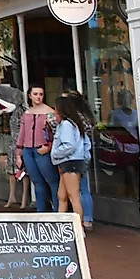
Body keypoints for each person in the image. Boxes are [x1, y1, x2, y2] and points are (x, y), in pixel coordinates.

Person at [15, 86, 60, 212]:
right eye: (35, 94)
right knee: (37, 182)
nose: (38, 96)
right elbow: (22, 134)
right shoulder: (26, 114)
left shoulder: (50, 112)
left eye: (41, 94)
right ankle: (41, 212)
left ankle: (57, 211)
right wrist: (19, 154)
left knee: (52, 181)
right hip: (28, 150)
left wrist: (49, 146)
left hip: (43, 149)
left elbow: (56, 133)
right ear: (30, 96)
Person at [52, 91, 93, 228]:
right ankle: (61, 226)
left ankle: (78, 228)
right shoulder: (75, 124)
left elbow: (69, 145)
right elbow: (86, 143)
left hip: (70, 162)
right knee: (62, 195)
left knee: (73, 196)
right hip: (73, 162)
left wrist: (55, 153)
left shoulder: (66, 125)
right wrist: (85, 157)